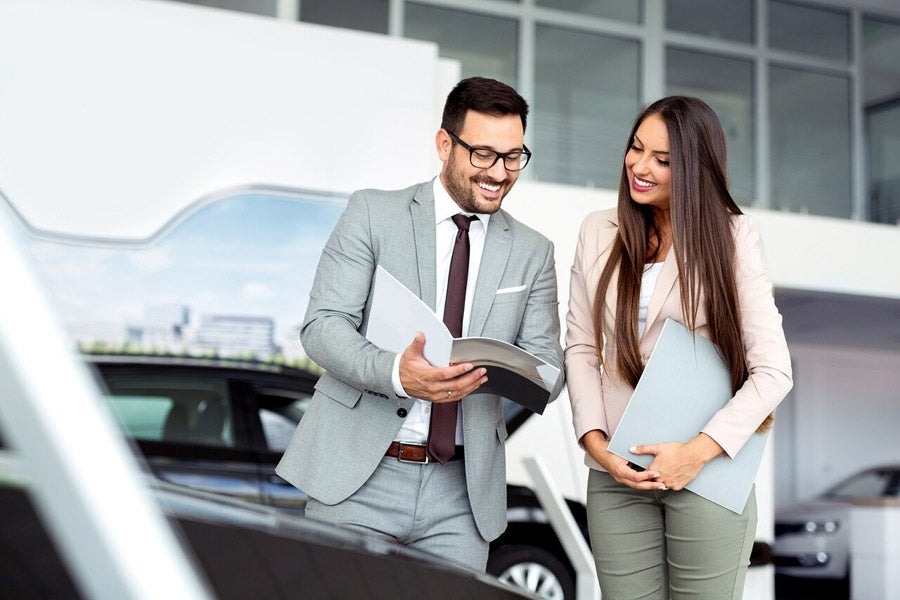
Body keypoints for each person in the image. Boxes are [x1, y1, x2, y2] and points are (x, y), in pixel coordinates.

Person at [276, 76, 564, 572]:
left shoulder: (534, 252)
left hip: (462, 495)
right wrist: (397, 373)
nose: (499, 173)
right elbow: (323, 326)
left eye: (513, 156)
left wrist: (514, 374)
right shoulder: (373, 213)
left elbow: (549, 371)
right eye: (484, 154)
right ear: (444, 144)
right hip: (358, 476)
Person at [565, 96, 793, 599]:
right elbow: (581, 347)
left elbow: (774, 371)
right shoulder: (597, 230)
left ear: (695, 168)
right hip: (618, 473)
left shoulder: (733, 235)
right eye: (636, 148)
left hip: (706, 471)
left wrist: (695, 454)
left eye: (662, 160)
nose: (639, 166)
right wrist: (595, 444)